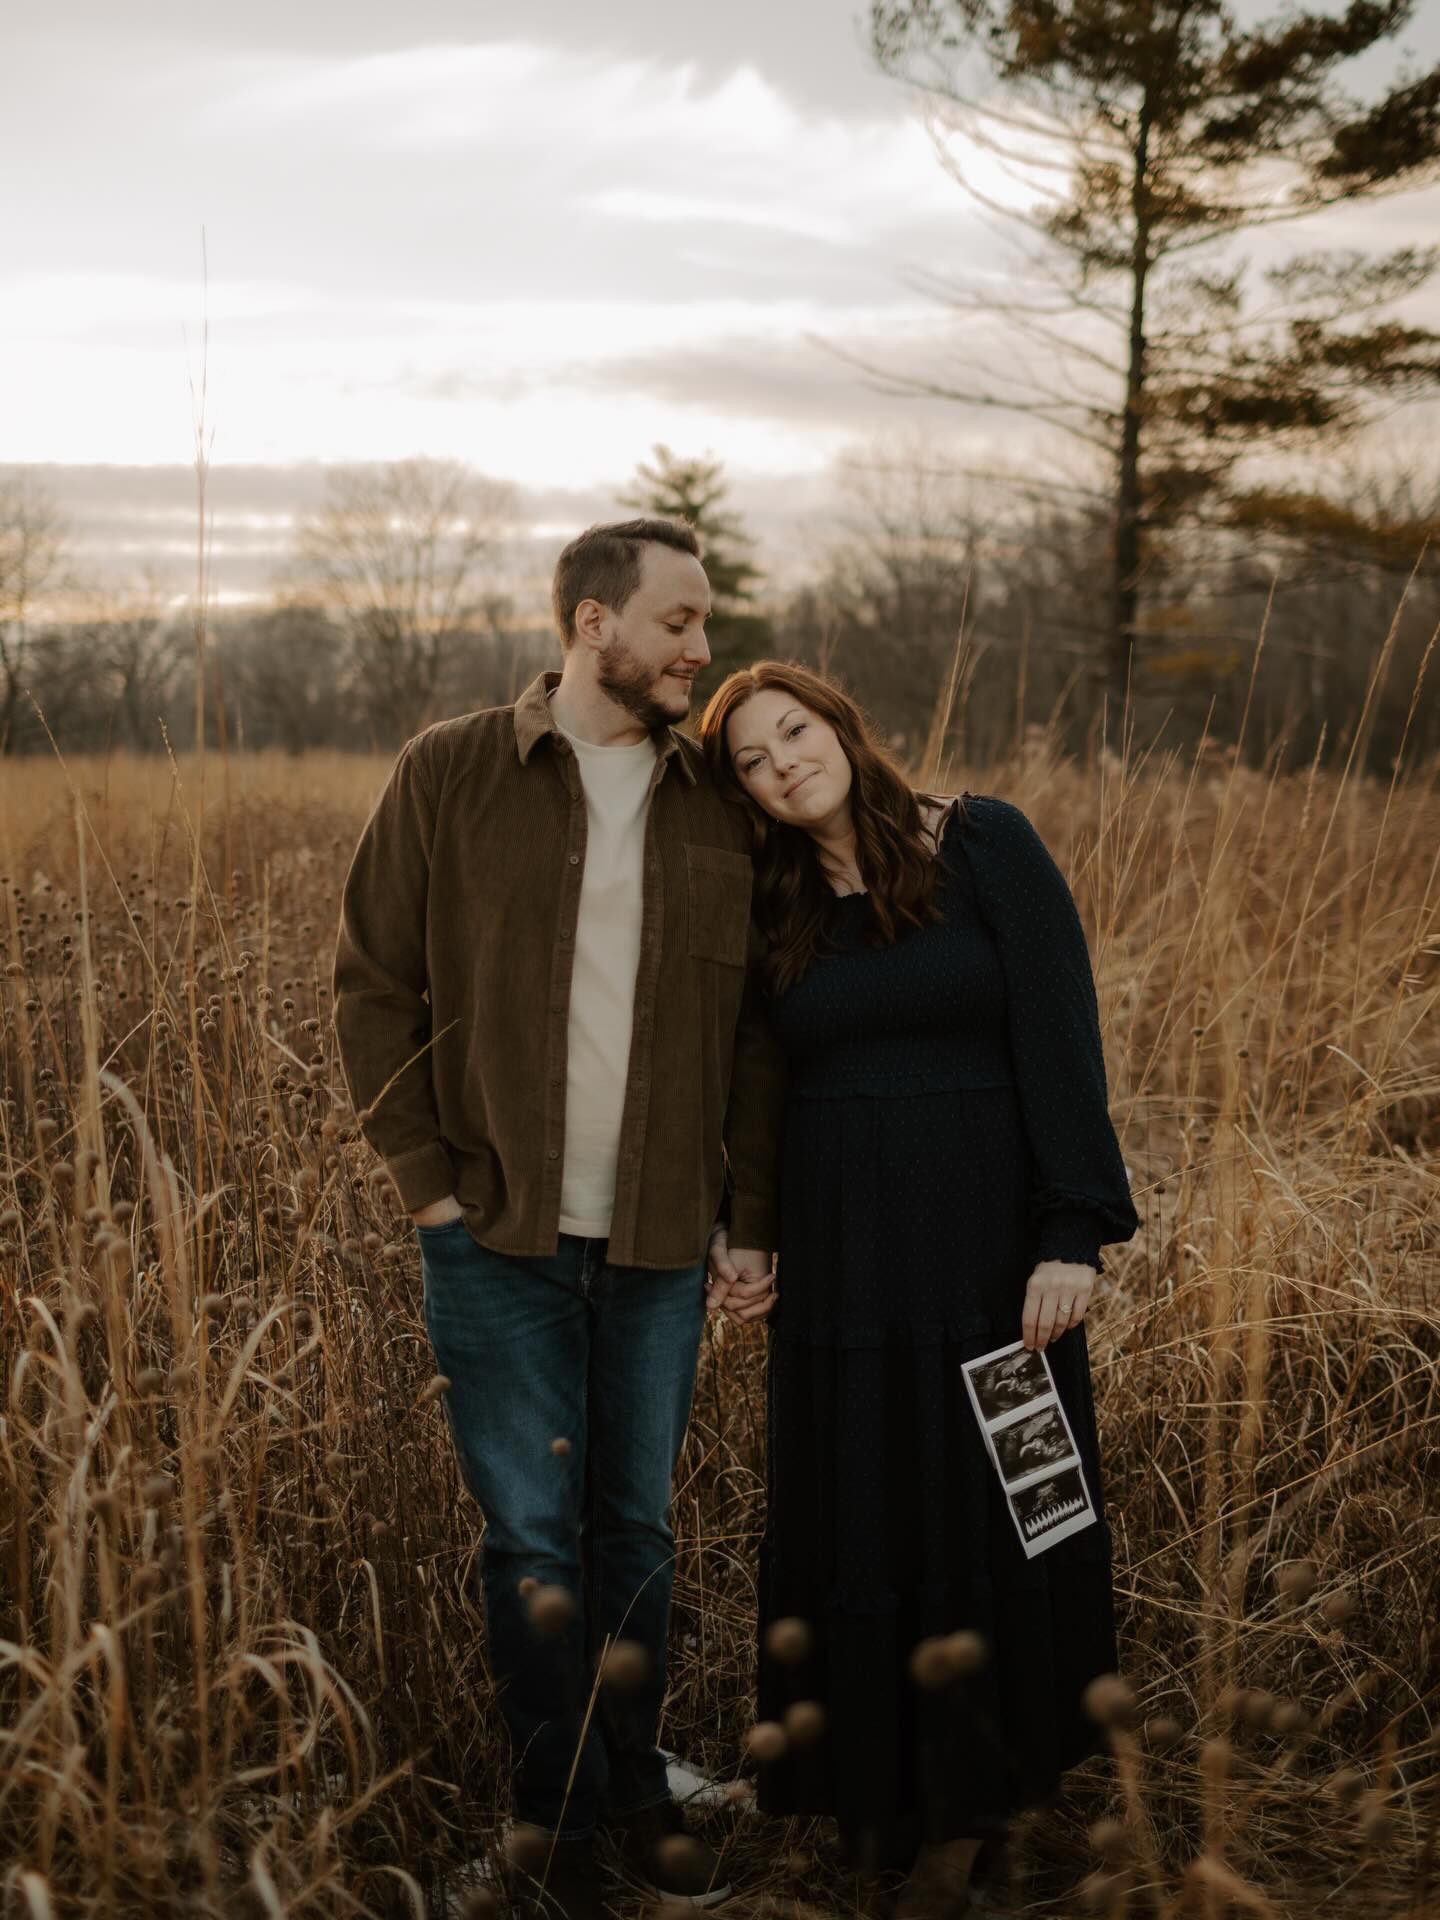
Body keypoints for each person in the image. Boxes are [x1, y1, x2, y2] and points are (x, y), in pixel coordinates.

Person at [332, 520, 782, 1920]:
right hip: (497, 1236)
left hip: (658, 1234)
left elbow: (764, 1035)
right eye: (683, 621)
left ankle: (638, 1796)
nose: (705, 651)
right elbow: (371, 987)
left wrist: (747, 1214)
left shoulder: (722, 802)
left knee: (631, 1530)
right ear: (596, 623)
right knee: (529, 1538)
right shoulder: (453, 770)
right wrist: (430, 1186)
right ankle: (554, 1817)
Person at [700, 662, 1139, 1918]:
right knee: (866, 1513)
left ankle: (976, 1811)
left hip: (991, 1266)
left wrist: (1073, 1233)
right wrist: (751, 1231)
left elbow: (1063, 1031)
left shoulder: (980, 840)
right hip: (844, 1272)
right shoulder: (772, 900)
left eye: (796, 731)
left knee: (1003, 1510)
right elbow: (757, 1092)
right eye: (753, 761)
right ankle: (883, 1793)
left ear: (840, 723)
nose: (785, 762)